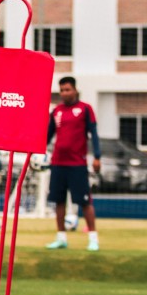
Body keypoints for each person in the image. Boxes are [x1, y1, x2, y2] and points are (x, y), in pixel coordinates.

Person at [45, 76, 101, 251]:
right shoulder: (56, 111)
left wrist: (97, 156)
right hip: (58, 163)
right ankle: (61, 237)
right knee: (58, 201)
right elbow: (47, 136)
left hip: (77, 164)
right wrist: (35, 154)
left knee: (84, 202)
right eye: (61, 90)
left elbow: (94, 134)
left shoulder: (85, 109)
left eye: (67, 89)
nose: (64, 93)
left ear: (75, 90)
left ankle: (93, 239)